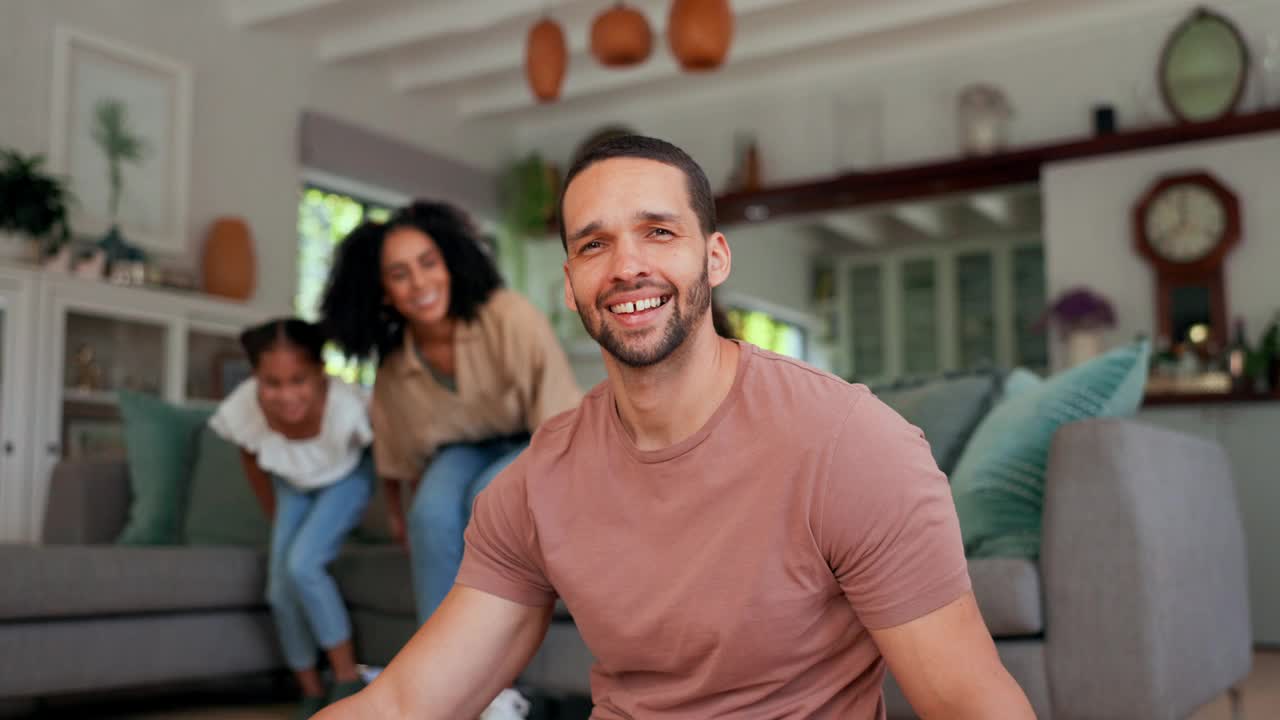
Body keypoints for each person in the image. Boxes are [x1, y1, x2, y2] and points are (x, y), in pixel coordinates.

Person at [318, 137, 1034, 719]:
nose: (628, 266)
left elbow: (970, 701)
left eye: (658, 232)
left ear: (714, 257)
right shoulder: (537, 483)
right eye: (595, 245)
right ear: (569, 284)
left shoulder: (852, 445)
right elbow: (409, 700)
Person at [321, 208, 581, 627]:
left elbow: (559, 428)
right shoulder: (393, 368)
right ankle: (442, 670)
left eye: (428, 263)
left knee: (488, 497)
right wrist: (403, 519)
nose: (420, 283)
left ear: (451, 265)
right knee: (430, 514)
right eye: (400, 274)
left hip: (537, 438)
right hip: (459, 451)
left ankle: (498, 673)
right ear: (383, 291)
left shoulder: (508, 315)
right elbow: (400, 459)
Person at [209, 318, 374, 719]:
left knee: (303, 565)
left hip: (346, 478)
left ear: (320, 373)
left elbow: (388, 459)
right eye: (272, 383)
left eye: (299, 380)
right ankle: (310, 690)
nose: (286, 395)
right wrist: (276, 514)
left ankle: (347, 679)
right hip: (291, 484)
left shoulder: (349, 407)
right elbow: (251, 458)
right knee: (279, 588)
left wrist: (400, 519)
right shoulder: (245, 405)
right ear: (255, 377)